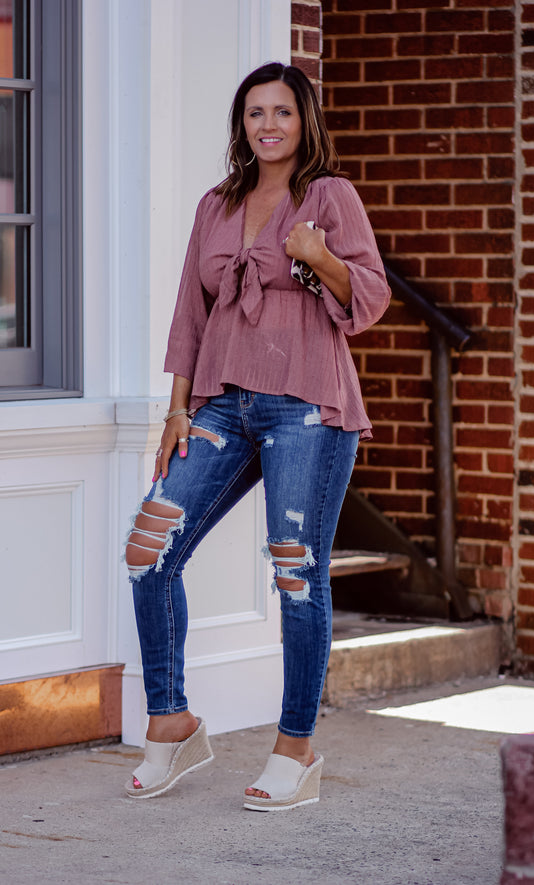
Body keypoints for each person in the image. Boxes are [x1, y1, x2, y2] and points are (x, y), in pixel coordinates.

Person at [124, 61, 390, 811]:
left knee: (296, 575)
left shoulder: (330, 196)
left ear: (304, 120)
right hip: (220, 403)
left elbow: (370, 298)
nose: (267, 125)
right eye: (253, 114)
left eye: (281, 112)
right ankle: (172, 719)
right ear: (241, 126)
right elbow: (189, 313)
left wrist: (319, 256)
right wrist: (177, 409)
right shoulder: (217, 203)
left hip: (306, 404)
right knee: (150, 550)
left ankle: (296, 747)